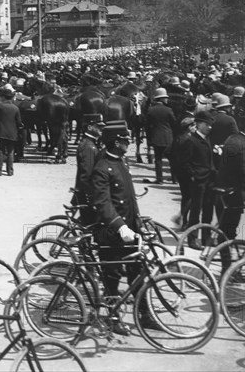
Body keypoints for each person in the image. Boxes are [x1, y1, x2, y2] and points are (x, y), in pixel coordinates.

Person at [91, 121, 160, 335]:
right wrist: (120, 226)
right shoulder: (102, 168)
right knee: (111, 277)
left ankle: (145, 315)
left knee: (137, 272)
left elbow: (129, 198)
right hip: (111, 233)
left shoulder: (121, 162)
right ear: (115, 142)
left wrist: (138, 222)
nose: (128, 143)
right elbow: (102, 203)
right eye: (124, 140)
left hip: (130, 229)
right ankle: (112, 317)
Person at [214, 118, 245, 272]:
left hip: (223, 191)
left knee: (226, 231)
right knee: (228, 231)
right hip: (234, 194)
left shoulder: (231, 140)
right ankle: (228, 270)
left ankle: (227, 268)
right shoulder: (244, 146)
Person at [180, 111, 217, 250]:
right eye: (207, 124)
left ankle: (206, 238)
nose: (210, 127)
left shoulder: (207, 139)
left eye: (210, 125)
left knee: (208, 211)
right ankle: (192, 239)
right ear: (199, 124)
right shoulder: (190, 140)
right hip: (198, 181)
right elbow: (184, 162)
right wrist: (193, 176)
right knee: (196, 211)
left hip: (209, 180)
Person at [73, 114, 104, 226]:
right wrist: (92, 196)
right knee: (90, 226)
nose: (102, 129)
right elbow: (87, 174)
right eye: (98, 127)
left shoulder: (91, 144)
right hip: (87, 195)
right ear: (90, 127)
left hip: (86, 193)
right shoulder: (88, 147)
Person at [170, 117, 197, 230]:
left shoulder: (178, 138)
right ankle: (183, 219)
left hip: (180, 172)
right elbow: (187, 159)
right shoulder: (189, 140)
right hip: (187, 172)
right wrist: (191, 173)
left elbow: (169, 152)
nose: (196, 128)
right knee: (190, 197)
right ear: (189, 127)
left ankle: (183, 220)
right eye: (194, 126)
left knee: (185, 197)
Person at [0, 85, 23, 177]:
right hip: (12, 132)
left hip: (1, 131)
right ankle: (10, 171)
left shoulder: (0, 106)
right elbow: (19, 122)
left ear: (4, 97)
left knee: (0, 151)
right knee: (10, 152)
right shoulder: (16, 108)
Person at [146, 87, 176, 184]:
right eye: (165, 98)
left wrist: (149, 139)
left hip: (156, 137)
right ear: (162, 99)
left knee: (158, 160)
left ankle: (159, 179)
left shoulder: (151, 110)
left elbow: (147, 126)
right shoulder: (169, 110)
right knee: (172, 160)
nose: (167, 99)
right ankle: (174, 179)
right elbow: (174, 123)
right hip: (168, 138)